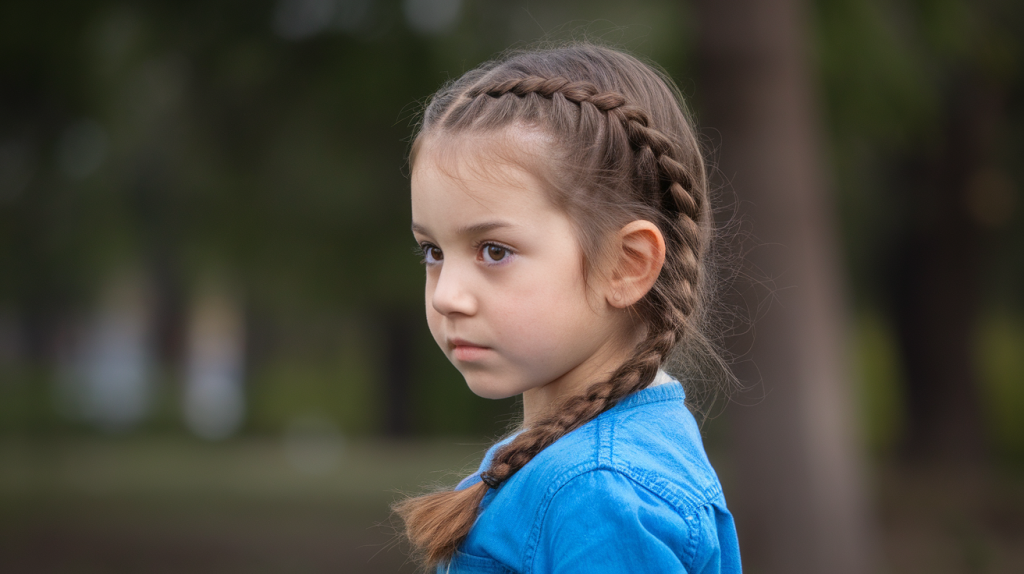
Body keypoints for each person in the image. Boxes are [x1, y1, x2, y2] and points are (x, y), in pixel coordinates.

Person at [395, 43, 741, 573]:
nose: (446, 295)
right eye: (433, 252)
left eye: (494, 251)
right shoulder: (584, 464)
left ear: (626, 265)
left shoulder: (600, 493)